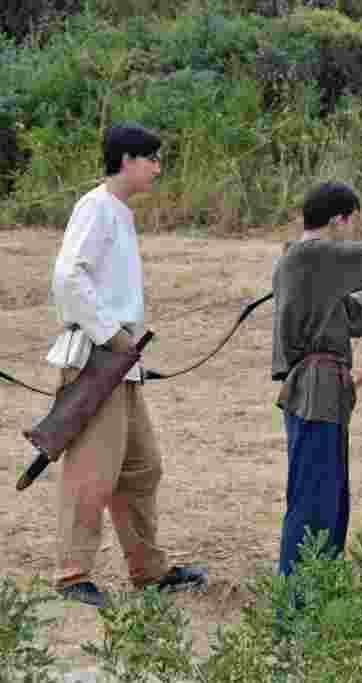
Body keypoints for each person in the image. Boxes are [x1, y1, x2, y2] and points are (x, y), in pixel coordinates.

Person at [46, 123, 208, 608]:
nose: (158, 168)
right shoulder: (96, 207)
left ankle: (149, 569)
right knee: (91, 471)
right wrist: (113, 336)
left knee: (141, 467)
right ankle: (72, 575)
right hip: (100, 359)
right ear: (128, 160)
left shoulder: (117, 212)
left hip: (120, 362)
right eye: (152, 159)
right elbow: (67, 278)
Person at [272, 181, 362, 577]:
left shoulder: (311, 261)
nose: (354, 233)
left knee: (331, 499)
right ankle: (297, 603)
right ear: (340, 219)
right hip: (315, 390)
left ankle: (320, 594)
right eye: (353, 222)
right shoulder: (313, 255)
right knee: (314, 500)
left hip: (323, 391)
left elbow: (349, 315)